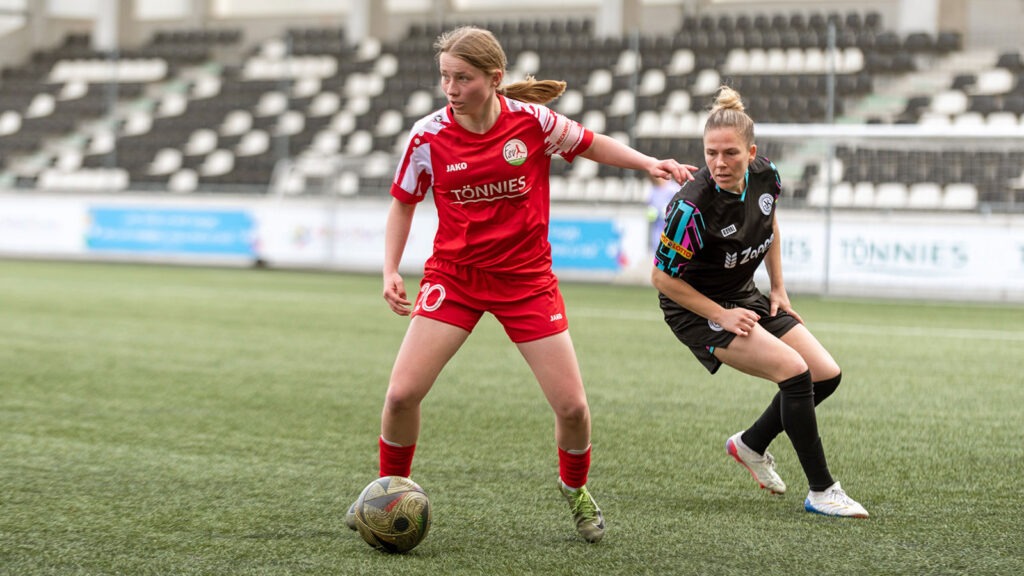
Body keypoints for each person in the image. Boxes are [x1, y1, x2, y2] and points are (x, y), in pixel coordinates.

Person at [344, 25, 698, 543]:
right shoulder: (427, 136)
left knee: (573, 408)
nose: (451, 88)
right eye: (445, 77)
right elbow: (403, 201)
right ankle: (385, 492)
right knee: (400, 395)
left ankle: (575, 489)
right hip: (455, 279)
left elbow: (591, 143)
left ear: (494, 78)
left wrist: (649, 163)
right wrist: (390, 269)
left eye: (462, 78)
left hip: (526, 282)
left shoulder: (532, 122)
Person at [650, 85, 869, 518]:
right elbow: (661, 278)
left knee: (826, 375)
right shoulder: (692, 207)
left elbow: (770, 226)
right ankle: (823, 491)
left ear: (751, 153)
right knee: (794, 371)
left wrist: (780, 289)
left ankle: (750, 444)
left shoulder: (767, 176)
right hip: (697, 309)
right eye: (711, 153)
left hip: (745, 295)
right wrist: (720, 315)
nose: (719, 163)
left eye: (730, 153)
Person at [646, 175, 679, 254]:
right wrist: (651, 212)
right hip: (657, 227)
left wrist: (669, 211)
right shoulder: (653, 190)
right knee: (657, 248)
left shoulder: (674, 188)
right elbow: (650, 205)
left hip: (671, 227)